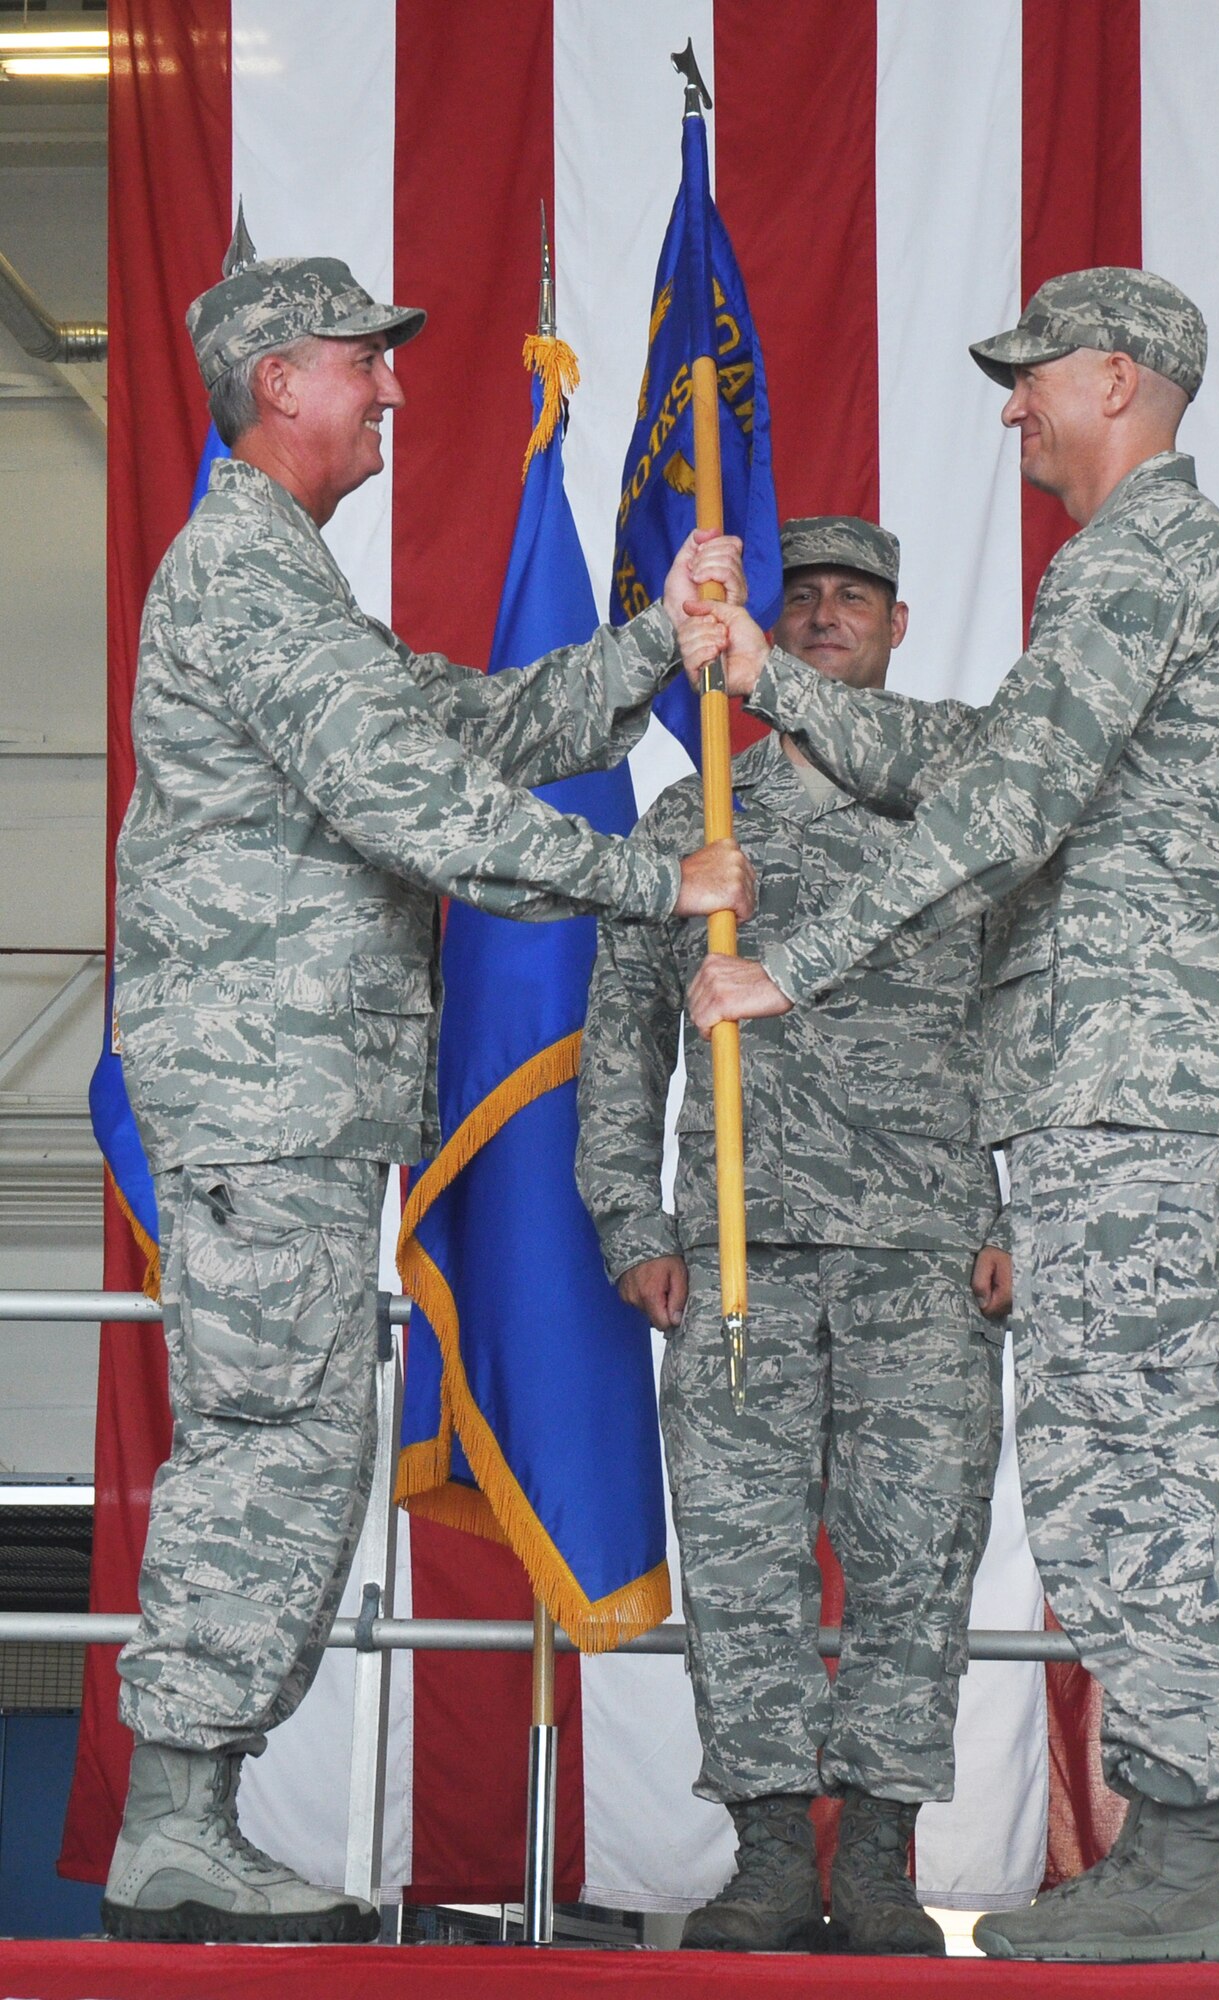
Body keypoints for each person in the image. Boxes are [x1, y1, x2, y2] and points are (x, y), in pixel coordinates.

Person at [102, 255, 754, 1945]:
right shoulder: (243, 576)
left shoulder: (290, 582)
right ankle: (174, 1822)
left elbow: (473, 721)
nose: (394, 387)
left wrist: (653, 646)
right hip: (266, 1094)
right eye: (363, 362)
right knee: (271, 1440)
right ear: (278, 383)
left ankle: (189, 1813)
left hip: (301, 1099)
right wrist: (648, 879)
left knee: (297, 1441)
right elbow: (411, 796)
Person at [677, 270, 1219, 1964]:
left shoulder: (1142, 557)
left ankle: (1184, 1855)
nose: (1013, 407)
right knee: (1117, 1446)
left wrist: (791, 966)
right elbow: (981, 756)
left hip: (1135, 1075)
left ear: (1118, 378)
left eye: (1034, 377)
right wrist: (775, 679)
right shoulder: (1142, 566)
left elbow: (1008, 802)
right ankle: (1178, 1848)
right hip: (1129, 1074)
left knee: (1124, 1454)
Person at [576, 517, 1012, 1956]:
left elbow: (1025, 1010)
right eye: (803, 596)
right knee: (743, 1560)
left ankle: (879, 1857)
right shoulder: (696, 816)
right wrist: (631, 1217)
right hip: (738, 1252)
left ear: (898, 626)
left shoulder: (957, 793)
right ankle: (767, 1854)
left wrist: (1007, 1208)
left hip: (924, 1252)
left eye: (855, 600)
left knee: (913, 1560)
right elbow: (622, 1040)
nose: (827, 616)